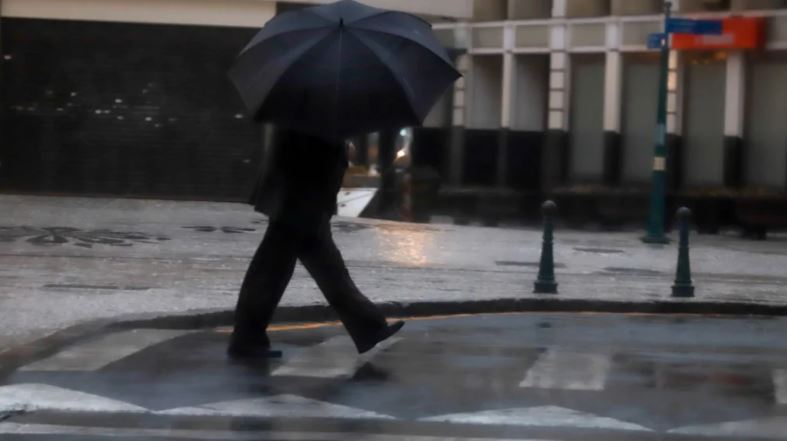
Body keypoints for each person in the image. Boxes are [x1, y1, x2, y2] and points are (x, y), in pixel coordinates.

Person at [228, 127, 404, 359]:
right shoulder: (314, 117)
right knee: (275, 270)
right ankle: (245, 339)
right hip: (298, 199)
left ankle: (368, 327)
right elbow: (311, 157)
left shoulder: (311, 111)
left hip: (300, 199)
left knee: (318, 267)